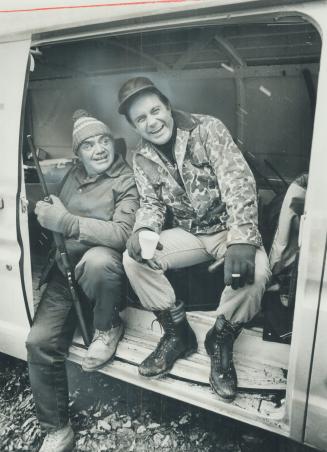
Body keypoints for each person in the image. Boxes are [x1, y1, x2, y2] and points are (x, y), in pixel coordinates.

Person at [118, 77, 271, 403]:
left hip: (228, 230)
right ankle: (177, 333)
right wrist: (143, 229)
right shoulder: (141, 156)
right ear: (134, 125)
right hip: (190, 233)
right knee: (133, 259)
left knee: (256, 272)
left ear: (167, 106)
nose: (152, 121)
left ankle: (221, 338)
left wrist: (242, 237)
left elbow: (237, 179)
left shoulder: (207, 129)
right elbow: (152, 204)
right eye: (141, 119)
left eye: (155, 110)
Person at [26, 110, 139, 452]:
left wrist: (67, 222)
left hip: (105, 278)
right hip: (66, 272)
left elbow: (122, 234)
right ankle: (57, 429)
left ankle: (107, 327)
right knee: (39, 343)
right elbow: (54, 214)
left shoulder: (127, 179)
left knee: (99, 260)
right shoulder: (71, 176)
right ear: (79, 153)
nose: (99, 149)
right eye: (89, 145)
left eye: (104, 140)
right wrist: (47, 215)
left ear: (113, 143)